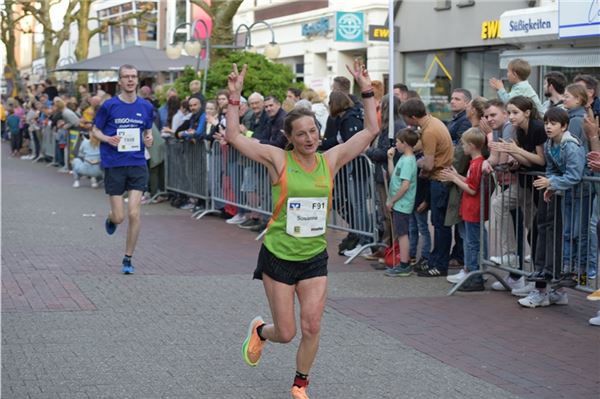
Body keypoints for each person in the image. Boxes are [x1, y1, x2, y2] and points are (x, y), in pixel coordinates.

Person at [226, 60, 378, 399]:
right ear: (289, 138)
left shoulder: (331, 159)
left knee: (312, 325)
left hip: (313, 257)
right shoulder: (278, 159)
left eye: (313, 132)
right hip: (279, 255)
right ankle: (261, 331)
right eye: (301, 134)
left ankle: (300, 383)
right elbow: (235, 137)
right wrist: (234, 97)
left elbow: (370, 132)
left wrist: (366, 89)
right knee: (287, 331)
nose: (309, 139)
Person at [92, 64, 154, 275]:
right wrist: (108, 138)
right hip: (114, 164)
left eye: (133, 77)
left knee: (134, 213)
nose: (130, 80)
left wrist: (149, 138)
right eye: (126, 77)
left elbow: (147, 131)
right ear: (119, 81)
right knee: (120, 217)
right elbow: (95, 130)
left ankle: (128, 258)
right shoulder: (109, 106)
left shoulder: (146, 107)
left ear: (137, 80)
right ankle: (111, 218)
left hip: (137, 163)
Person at [521, 107, 586, 308]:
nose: (548, 127)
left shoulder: (570, 146)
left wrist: (552, 184)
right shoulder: (550, 144)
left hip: (575, 198)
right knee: (543, 229)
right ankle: (550, 284)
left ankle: (568, 280)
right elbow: (551, 169)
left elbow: (575, 175)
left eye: (553, 123)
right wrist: (551, 184)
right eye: (547, 122)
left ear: (564, 126)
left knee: (572, 235)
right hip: (560, 193)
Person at [400, 98, 454, 277]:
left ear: (413, 117)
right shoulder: (432, 122)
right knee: (438, 224)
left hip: (439, 180)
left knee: (440, 225)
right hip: (439, 179)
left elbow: (429, 164)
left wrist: (417, 162)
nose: (405, 122)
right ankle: (434, 260)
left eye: (406, 118)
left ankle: (439, 264)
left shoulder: (429, 131)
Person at [441, 128, 489, 291]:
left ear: (471, 145)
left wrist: (454, 178)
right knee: (471, 242)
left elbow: (472, 189)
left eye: (463, 144)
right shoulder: (475, 163)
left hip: (473, 209)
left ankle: (474, 275)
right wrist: (456, 176)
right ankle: (471, 273)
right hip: (470, 209)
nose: (462, 148)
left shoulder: (477, 163)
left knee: (472, 243)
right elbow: (469, 181)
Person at [383, 128, 419, 277]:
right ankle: (403, 262)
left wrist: (392, 200)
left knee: (403, 234)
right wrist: (390, 160)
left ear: (405, 143)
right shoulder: (403, 159)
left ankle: (404, 264)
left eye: (398, 142)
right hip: (399, 203)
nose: (395, 144)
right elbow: (394, 176)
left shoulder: (409, 161)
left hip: (402, 204)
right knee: (401, 232)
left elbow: (405, 186)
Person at [72, 124, 103, 188]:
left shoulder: (85, 142)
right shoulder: (103, 143)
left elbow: (80, 155)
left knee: (75, 160)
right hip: (100, 171)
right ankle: (95, 180)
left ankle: (76, 181)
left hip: (86, 169)